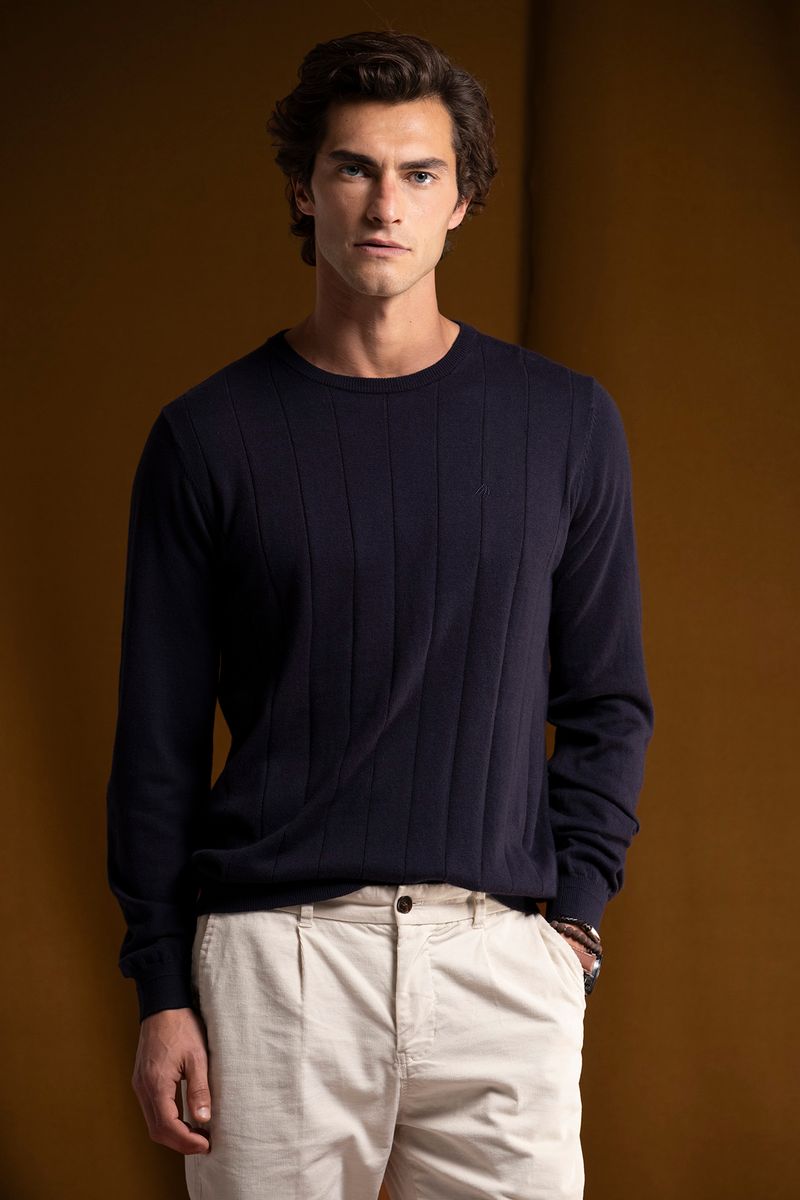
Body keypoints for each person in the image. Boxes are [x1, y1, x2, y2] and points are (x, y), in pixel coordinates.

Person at [106, 28, 654, 1200]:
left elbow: (606, 700)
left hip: (498, 961)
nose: (384, 204)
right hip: (275, 964)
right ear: (304, 189)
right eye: (352, 168)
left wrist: (572, 929)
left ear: (462, 200)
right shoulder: (207, 437)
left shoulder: (563, 423)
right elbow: (156, 744)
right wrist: (160, 987)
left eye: (419, 173)